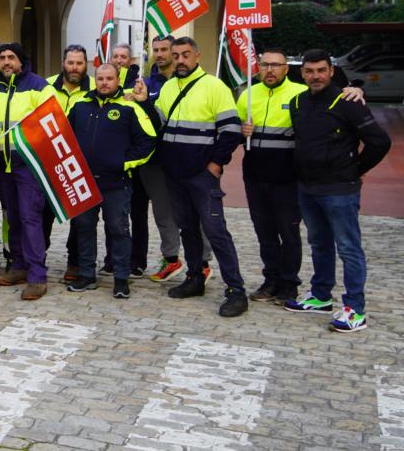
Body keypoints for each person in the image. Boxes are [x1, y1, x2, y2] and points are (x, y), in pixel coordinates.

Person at [133, 36, 247, 317]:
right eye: (177, 55)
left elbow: (231, 130)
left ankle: (236, 290)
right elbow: (158, 125)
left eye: (186, 55)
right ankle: (195, 277)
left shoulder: (214, 86)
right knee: (188, 230)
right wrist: (144, 103)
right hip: (175, 174)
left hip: (202, 175)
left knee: (216, 231)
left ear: (197, 56)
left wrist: (216, 165)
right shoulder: (169, 87)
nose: (181, 60)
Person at [284, 49, 391, 333]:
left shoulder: (348, 102)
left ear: (331, 71)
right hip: (307, 188)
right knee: (319, 244)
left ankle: (355, 309)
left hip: (340, 190)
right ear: (302, 73)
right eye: (309, 71)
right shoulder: (298, 102)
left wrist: (355, 170)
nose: (315, 76)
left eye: (321, 70)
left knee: (348, 248)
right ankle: (320, 296)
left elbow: (380, 142)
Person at [66, 62, 157, 298]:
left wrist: (122, 163)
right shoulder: (80, 106)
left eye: (109, 78)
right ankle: (86, 275)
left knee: (118, 229)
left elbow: (148, 142)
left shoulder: (130, 107)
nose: (104, 82)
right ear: (95, 80)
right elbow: (63, 136)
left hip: (116, 183)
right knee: (83, 228)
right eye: (100, 78)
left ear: (118, 80)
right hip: (84, 182)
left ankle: (121, 278)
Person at [0, 42, 56, 299]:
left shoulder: (38, 85)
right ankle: (19, 265)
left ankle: (38, 275)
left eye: (10, 57)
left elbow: (51, 120)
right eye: (2, 57)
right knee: (12, 216)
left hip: (28, 163)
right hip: (3, 163)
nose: (5, 61)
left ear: (21, 61)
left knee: (29, 217)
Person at [134, 34, 209, 282]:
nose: (162, 54)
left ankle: (203, 262)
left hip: (185, 158)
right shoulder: (144, 83)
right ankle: (171, 258)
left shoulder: (191, 82)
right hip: (154, 160)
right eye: (157, 50)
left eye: (166, 49)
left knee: (194, 212)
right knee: (163, 213)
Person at [236, 47, 307, 304]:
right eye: (265, 65)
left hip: (288, 177)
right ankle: (271, 280)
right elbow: (232, 131)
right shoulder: (248, 95)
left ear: (286, 69)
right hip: (255, 175)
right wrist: (240, 132)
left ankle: (289, 284)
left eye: (276, 65)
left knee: (288, 233)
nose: (270, 70)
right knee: (264, 233)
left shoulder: (300, 94)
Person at [49, 45, 95, 282]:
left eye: (79, 63)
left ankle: (75, 262)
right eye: (70, 63)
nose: (74, 68)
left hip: (81, 163)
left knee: (80, 217)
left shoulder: (97, 88)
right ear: (63, 63)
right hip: (50, 160)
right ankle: (36, 259)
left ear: (86, 64)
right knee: (43, 212)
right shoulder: (45, 87)